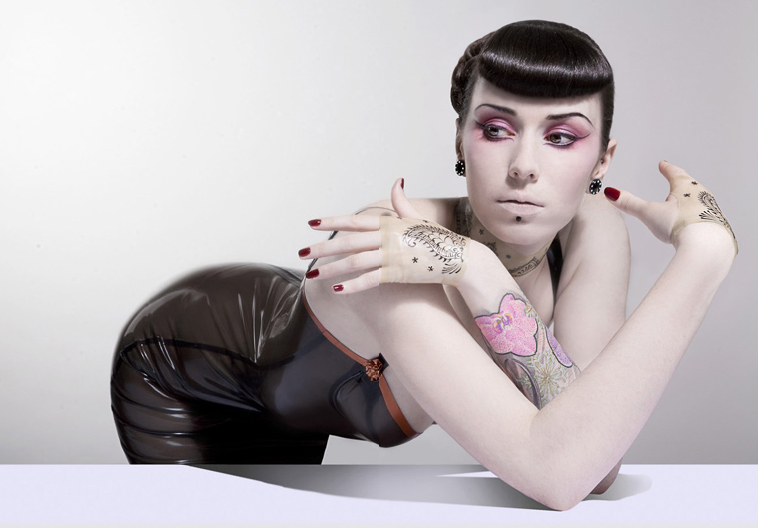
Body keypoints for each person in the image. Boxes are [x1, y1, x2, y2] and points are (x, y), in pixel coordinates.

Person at [110, 20, 737, 510]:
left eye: (561, 137)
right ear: (460, 140)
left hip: (291, 397)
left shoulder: (590, 229)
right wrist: (701, 263)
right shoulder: (387, 244)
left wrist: (703, 252)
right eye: (496, 129)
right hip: (187, 371)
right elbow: (559, 473)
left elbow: (594, 463)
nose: (524, 166)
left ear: (602, 159)